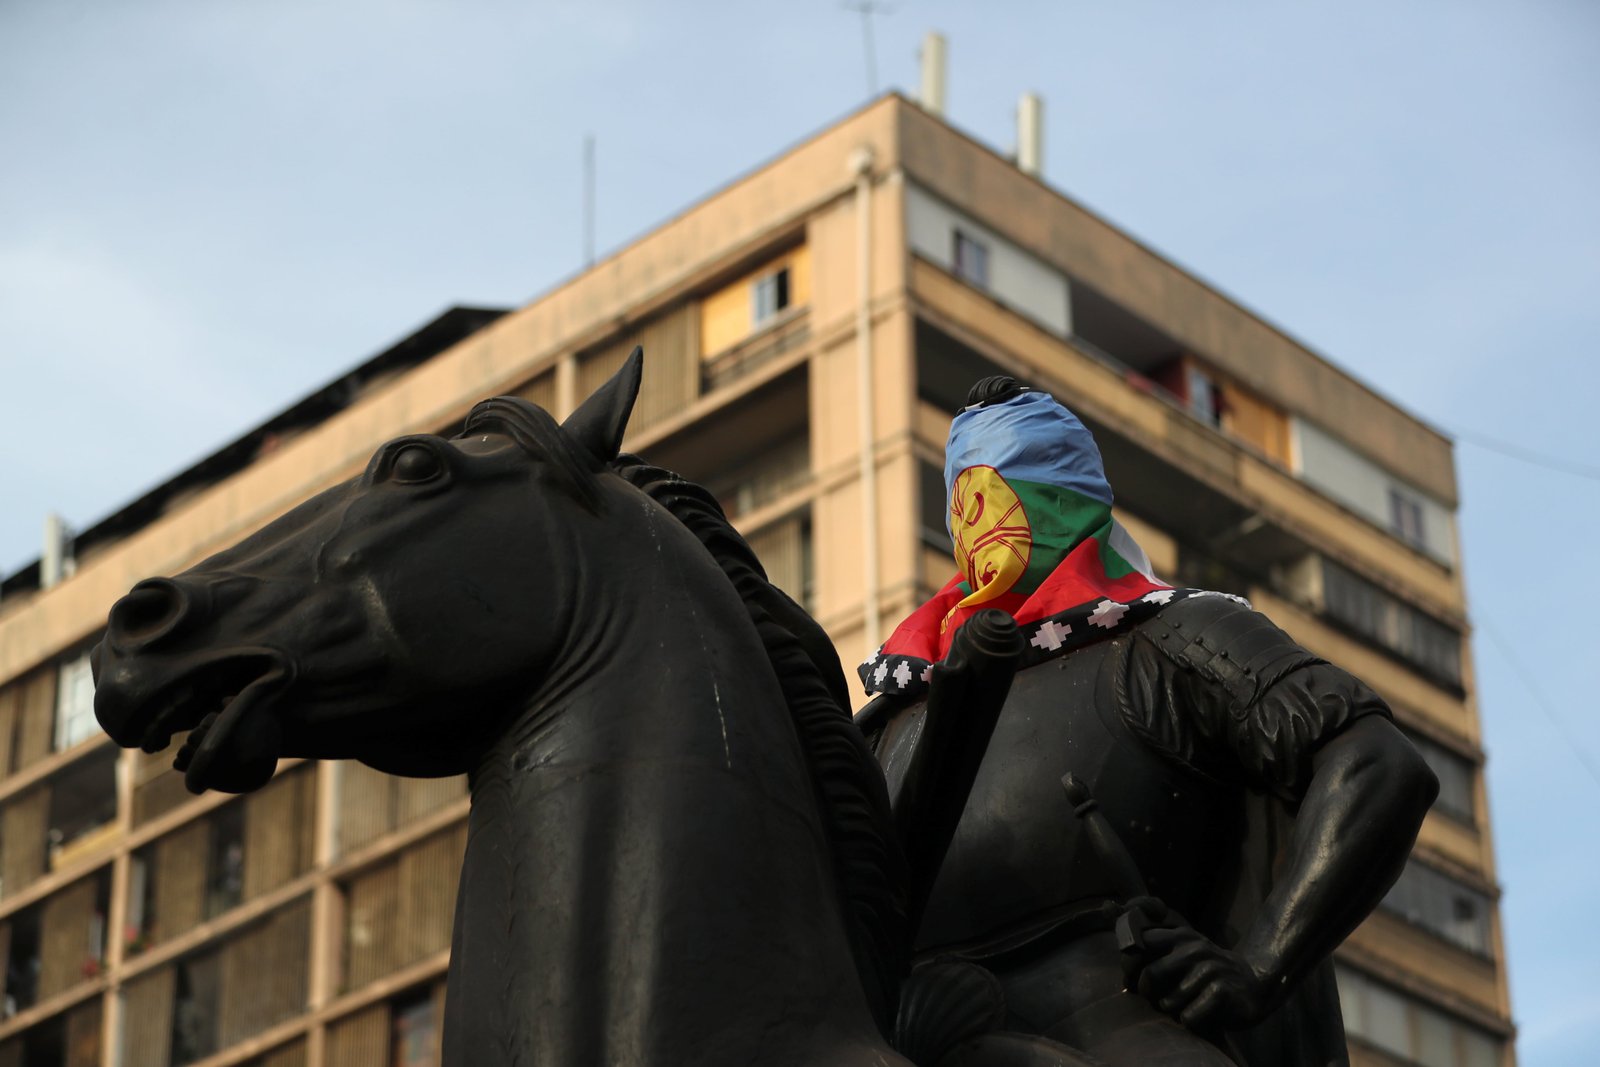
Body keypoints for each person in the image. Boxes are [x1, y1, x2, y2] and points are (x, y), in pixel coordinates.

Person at [859, 376, 1437, 1066]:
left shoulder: (1176, 636)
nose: (983, 525)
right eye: (968, 504)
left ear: (1069, 499)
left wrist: (1258, 965)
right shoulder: (888, 718)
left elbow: (1376, 763)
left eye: (1005, 495)